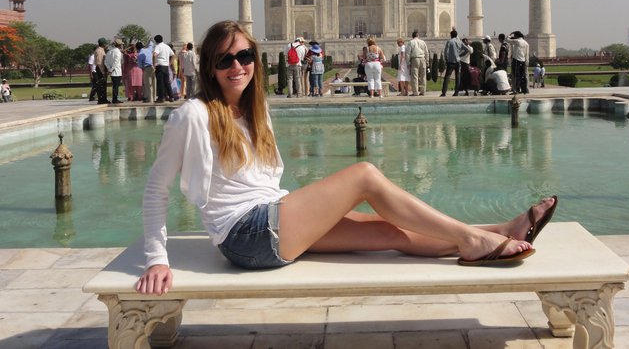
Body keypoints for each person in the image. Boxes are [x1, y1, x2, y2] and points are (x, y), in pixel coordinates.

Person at [136, 20, 558, 297]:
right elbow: (156, 189)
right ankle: (474, 241)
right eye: (225, 59)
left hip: (273, 219)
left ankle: (498, 232)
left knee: (391, 233)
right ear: (209, 66)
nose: (237, 66)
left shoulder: (253, 110)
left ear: (254, 62)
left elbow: (263, 186)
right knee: (364, 175)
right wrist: (156, 259)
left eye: (244, 56)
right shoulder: (192, 115)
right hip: (246, 236)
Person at [440, 28, 465, 97]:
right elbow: (466, 49)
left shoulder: (449, 41)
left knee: (447, 77)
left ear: (451, 35)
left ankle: (444, 92)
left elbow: (446, 52)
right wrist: (460, 55)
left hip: (450, 62)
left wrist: (446, 59)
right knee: (458, 77)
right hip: (458, 62)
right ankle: (456, 92)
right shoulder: (460, 42)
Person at [153, 34, 175, 102]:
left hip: (159, 66)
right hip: (166, 66)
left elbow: (154, 55)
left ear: (156, 41)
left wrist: (154, 64)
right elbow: (173, 55)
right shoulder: (167, 46)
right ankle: (171, 97)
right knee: (167, 82)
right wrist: (170, 63)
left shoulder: (158, 46)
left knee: (160, 83)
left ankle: (161, 98)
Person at [407, 30, 429, 96]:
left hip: (415, 59)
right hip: (422, 59)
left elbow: (408, 54)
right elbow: (426, 52)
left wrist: (408, 63)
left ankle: (415, 92)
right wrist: (427, 61)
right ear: (418, 36)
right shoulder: (423, 42)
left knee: (415, 77)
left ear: (412, 36)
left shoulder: (411, 42)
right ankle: (423, 91)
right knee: (423, 76)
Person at [104, 38, 124, 104]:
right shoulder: (118, 52)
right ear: (120, 45)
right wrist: (111, 69)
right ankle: (115, 99)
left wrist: (109, 69)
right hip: (116, 71)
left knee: (114, 86)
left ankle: (115, 99)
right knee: (116, 86)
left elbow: (105, 61)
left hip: (112, 71)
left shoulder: (109, 51)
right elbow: (116, 62)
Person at [93, 38, 110, 105]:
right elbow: (100, 62)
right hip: (100, 69)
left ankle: (102, 99)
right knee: (102, 85)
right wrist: (104, 71)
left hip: (99, 68)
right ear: (103, 44)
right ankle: (102, 99)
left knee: (101, 85)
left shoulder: (98, 50)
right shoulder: (100, 51)